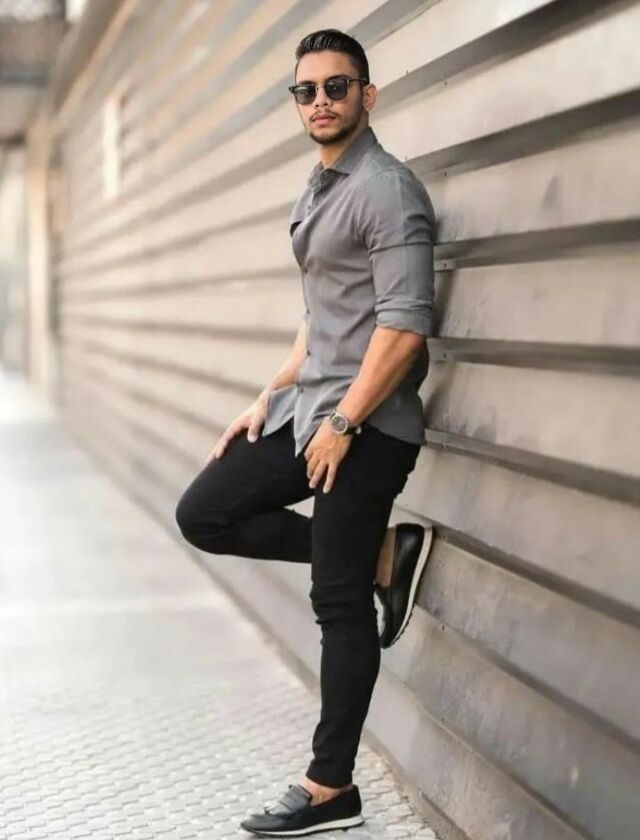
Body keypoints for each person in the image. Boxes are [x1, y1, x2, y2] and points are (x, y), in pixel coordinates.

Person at [175, 28, 436, 837]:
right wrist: (271, 392)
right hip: (310, 408)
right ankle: (379, 554)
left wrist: (347, 422)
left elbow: (403, 328)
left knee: (337, 599)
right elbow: (323, 312)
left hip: (370, 421)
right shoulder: (323, 184)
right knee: (205, 513)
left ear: (368, 94)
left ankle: (331, 788)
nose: (321, 101)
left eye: (337, 86)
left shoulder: (388, 191)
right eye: (307, 90)